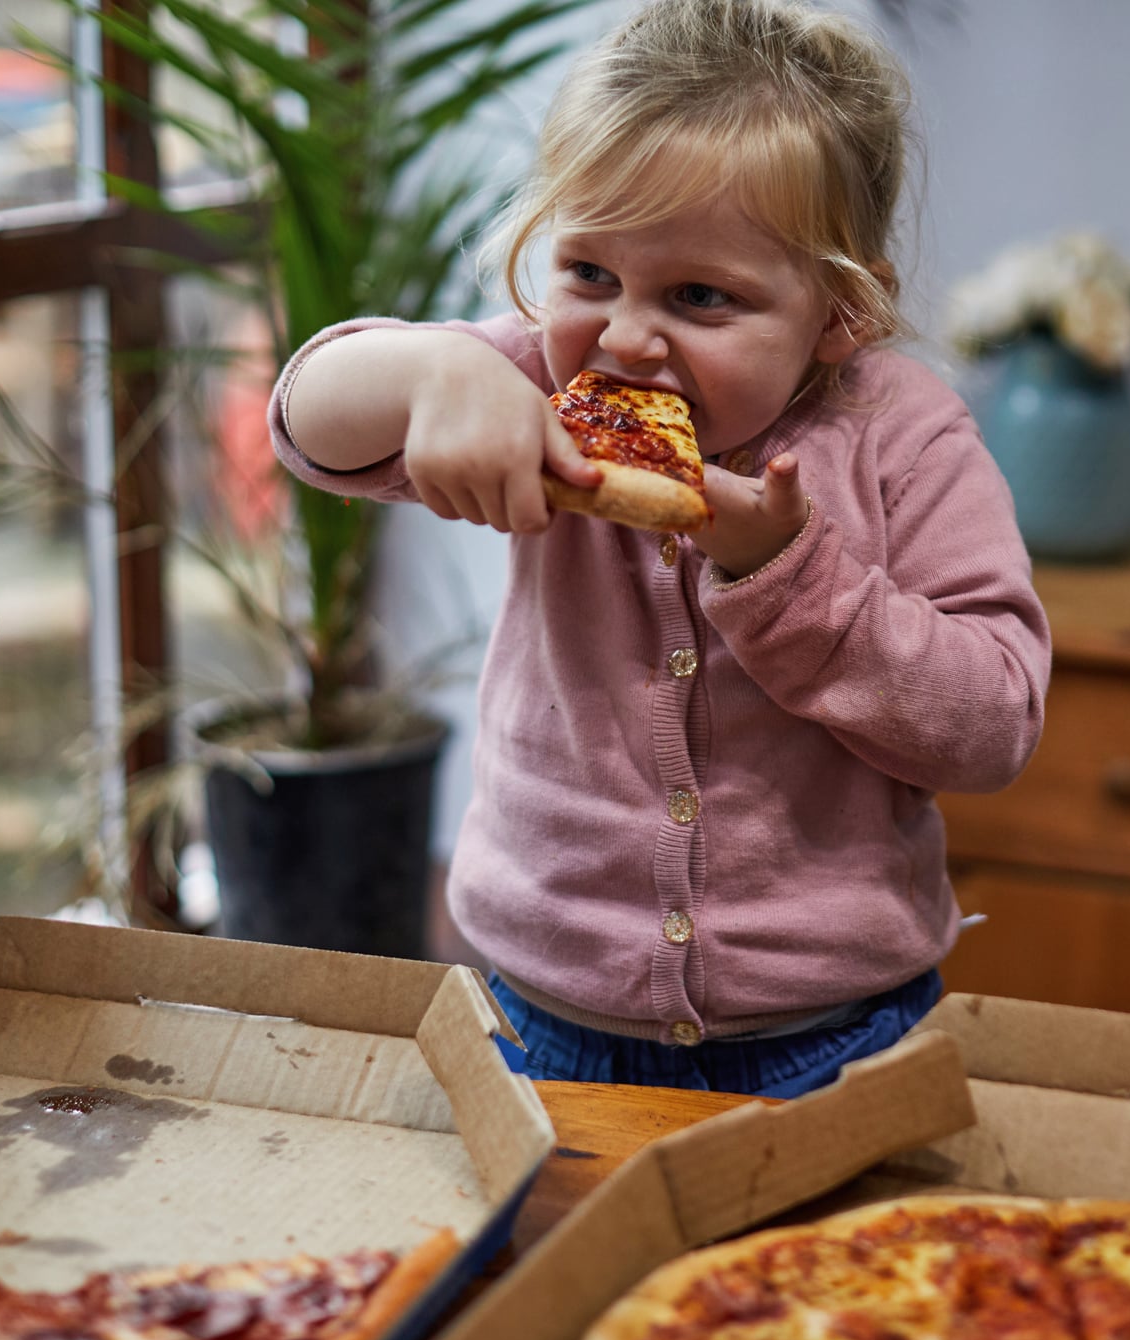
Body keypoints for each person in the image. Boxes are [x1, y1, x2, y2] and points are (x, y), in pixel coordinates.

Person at [270, 0, 1051, 1097]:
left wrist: (784, 575)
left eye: (697, 296)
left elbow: (992, 723)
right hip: (540, 1020)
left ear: (841, 312)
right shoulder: (536, 385)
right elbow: (307, 424)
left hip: (833, 1036)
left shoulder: (900, 435)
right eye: (588, 273)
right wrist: (429, 373)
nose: (627, 336)